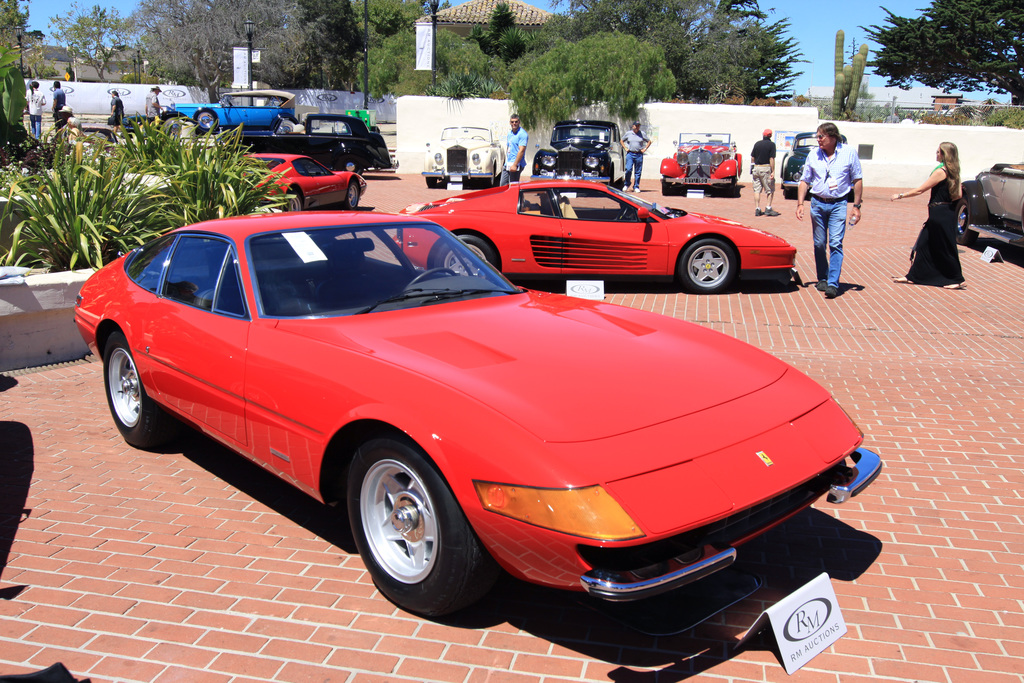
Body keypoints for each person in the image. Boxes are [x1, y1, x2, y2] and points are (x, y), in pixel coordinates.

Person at [795, 122, 863, 300]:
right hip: (817, 203)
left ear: (833, 137)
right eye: (817, 136)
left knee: (835, 243)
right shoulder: (813, 154)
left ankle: (833, 283)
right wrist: (800, 204)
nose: (818, 140)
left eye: (821, 136)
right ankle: (822, 278)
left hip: (838, 204)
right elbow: (804, 180)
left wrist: (856, 206)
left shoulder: (848, 153)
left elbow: (857, 180)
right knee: (819, 243)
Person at [890, 142, 965, 289]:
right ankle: (913, 276)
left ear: (944, 154)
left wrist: (900, 195)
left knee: (945, 247)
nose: (936, 154)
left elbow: (920, 190)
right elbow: (959, 195)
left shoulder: (941, 171)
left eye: (938, 152)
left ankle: (956, 279)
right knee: (924, 244)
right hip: (944, 212)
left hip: (940, 214)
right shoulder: (953, 171)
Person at [750, 129, 779, 216]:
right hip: (766, 168)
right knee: (769, 189)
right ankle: (768, 208)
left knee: (757, 190)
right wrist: (773, 171)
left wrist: (753, 167)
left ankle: (757, 208)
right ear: (770, 136)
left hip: (756, 167)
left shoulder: (757, 144)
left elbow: (752, 157)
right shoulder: (772, 145)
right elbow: (771, 159)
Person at [621, 121, 652, 192]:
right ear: (633, 126)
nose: (637, 127)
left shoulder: (642, 134)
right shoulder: (628, 133)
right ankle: (627, 184)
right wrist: (625, 148)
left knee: (638, 171)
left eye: (638, 126)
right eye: (636, 125)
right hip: (630, 154)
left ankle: (636, 186)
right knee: (628, 169)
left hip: (639, 154)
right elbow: (621, 140)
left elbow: (649, 141)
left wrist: (645, 149)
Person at [500, 114, 528, 186]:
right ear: (510, 123)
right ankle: (505, 197)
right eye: (512, 122)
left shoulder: (522, 134)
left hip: (516, 164)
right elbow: (509, 147)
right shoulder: (510, 133)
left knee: (513, 186)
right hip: (508, 163)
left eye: (516, 122)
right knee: (503, 184)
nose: (514, 124)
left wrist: (515, 165)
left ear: (519, 122)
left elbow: (521, 150)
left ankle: (515, 197)